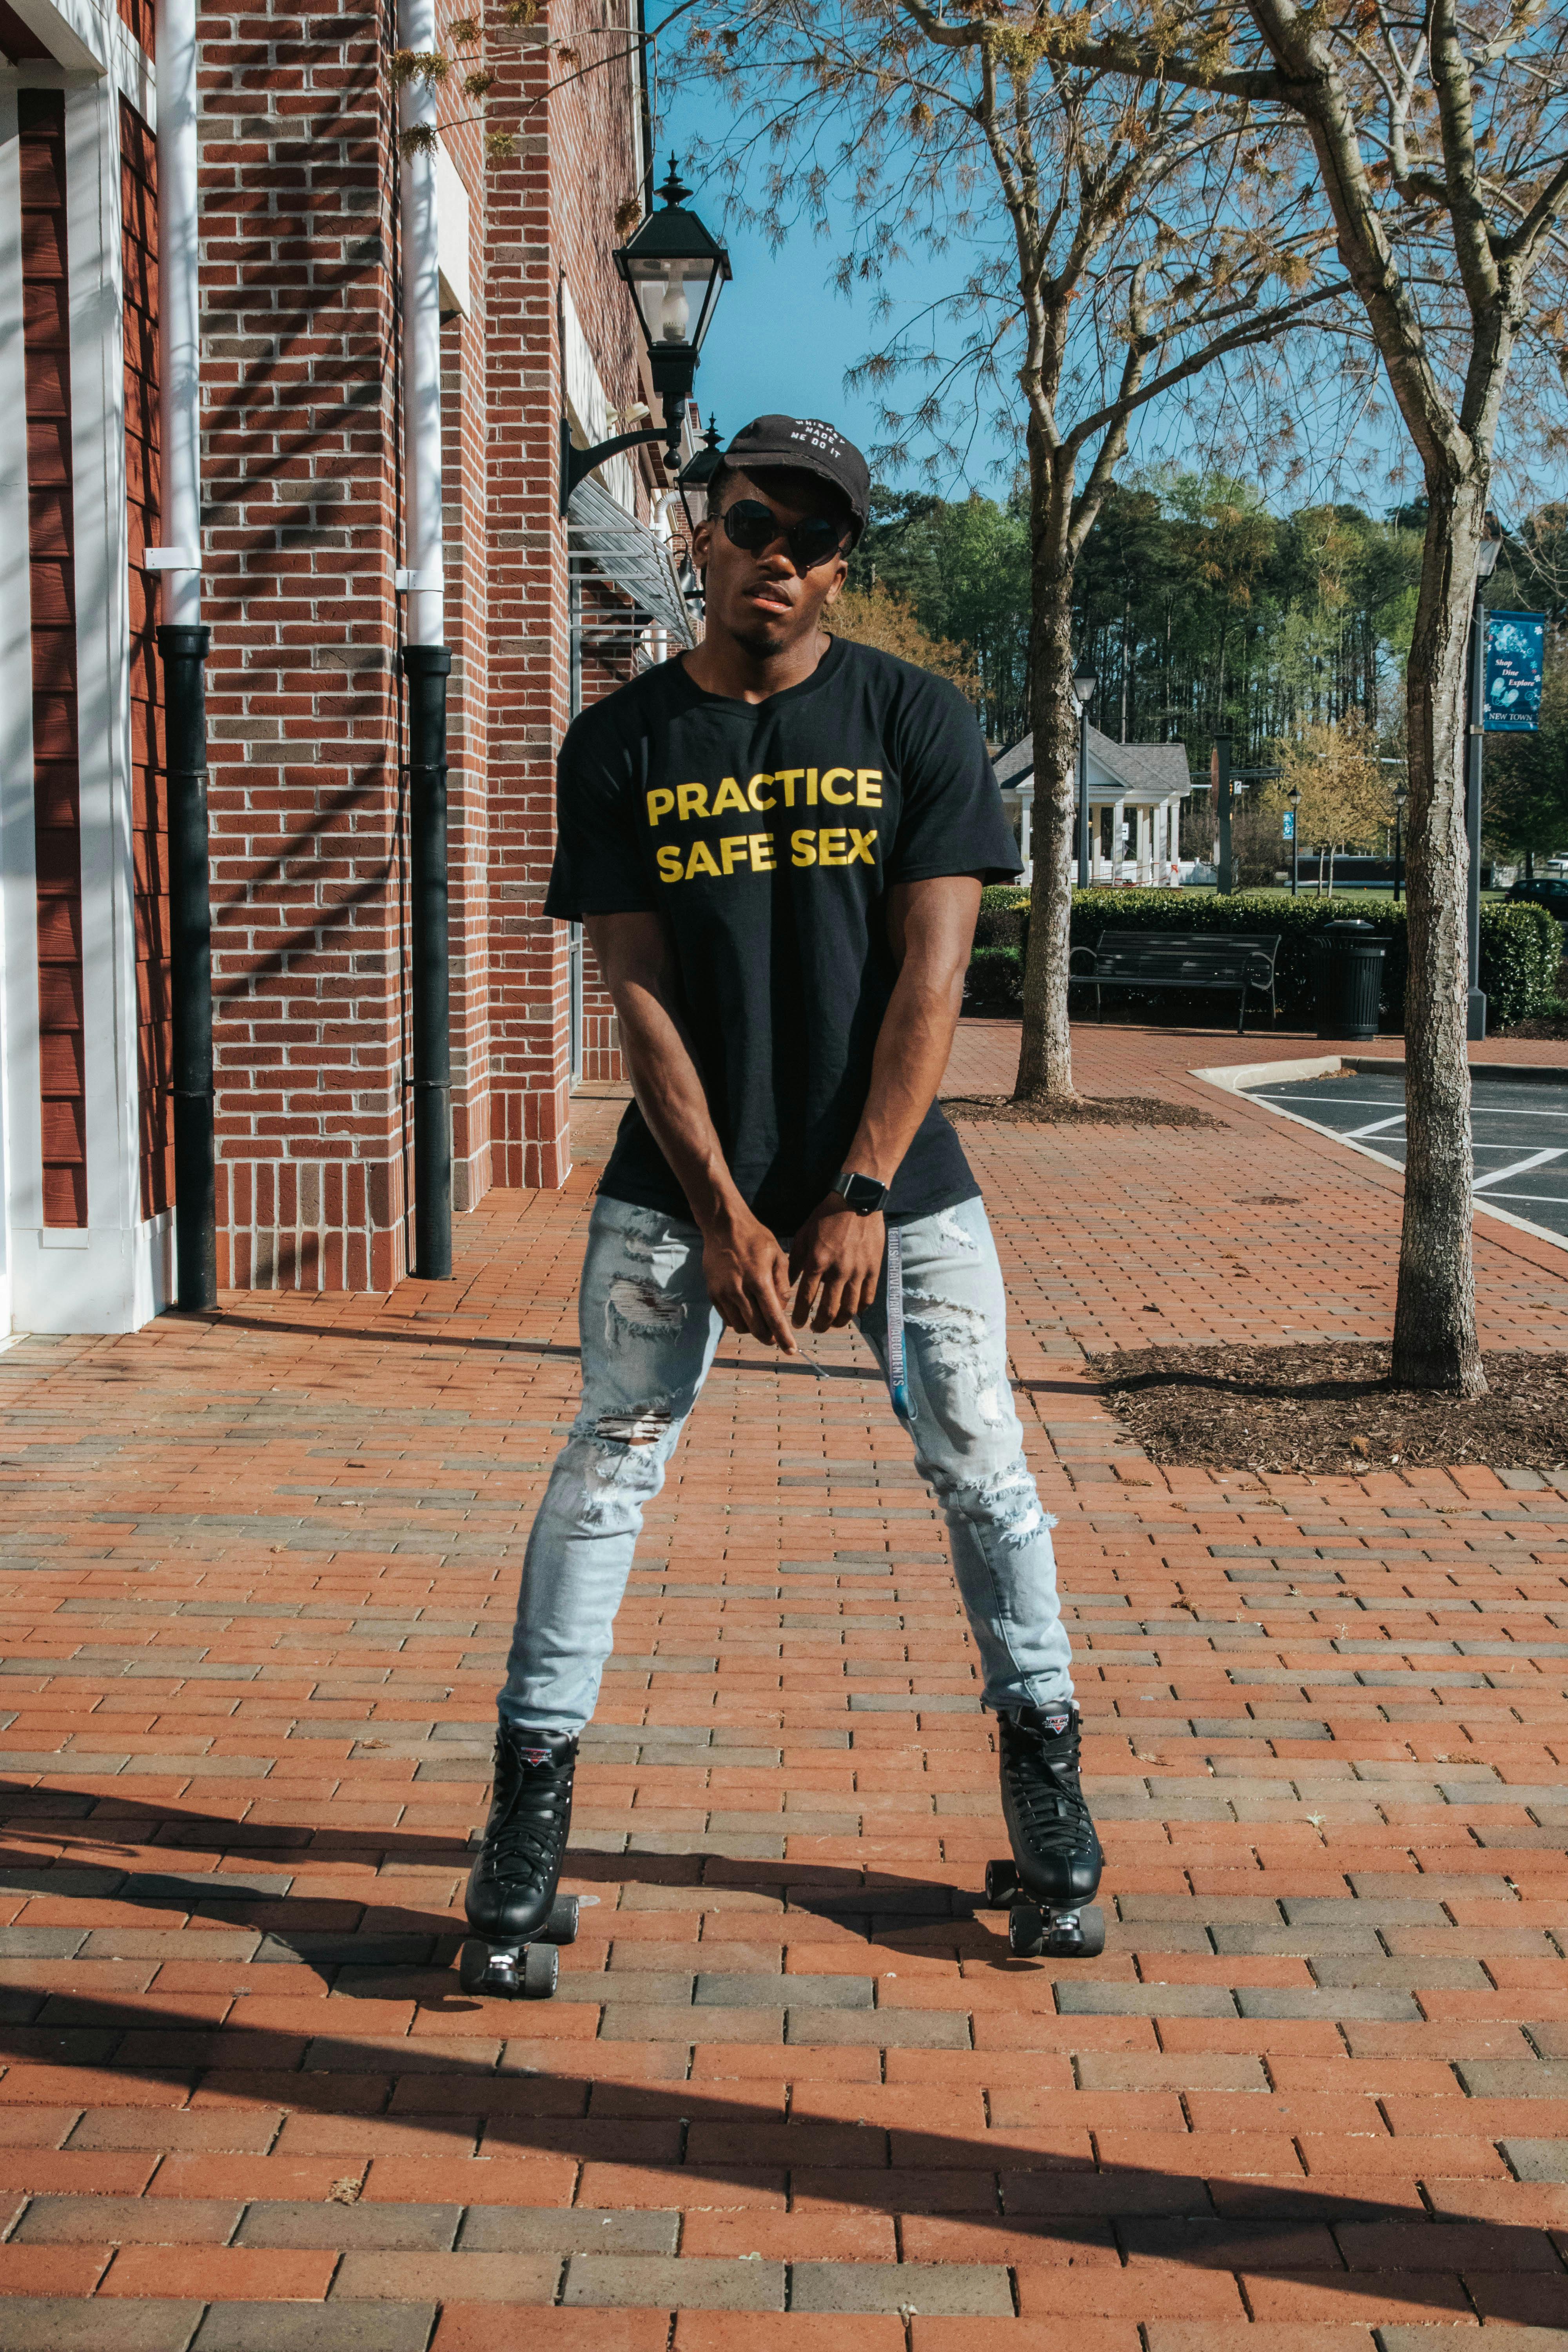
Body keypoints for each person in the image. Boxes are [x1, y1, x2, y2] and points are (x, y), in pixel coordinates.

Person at [464, 415, 1102, 1958]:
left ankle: (1050, 1804)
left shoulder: (914, 718)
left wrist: (859, 1194)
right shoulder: (620, 743)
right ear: (703, 527)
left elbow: (933, 980)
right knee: (609, 1457)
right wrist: (725, 1214)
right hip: (677, 1189)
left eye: (816, 541)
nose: (782, 560)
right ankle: (520, 1833)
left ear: (838, 564)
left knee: (981, 1459)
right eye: (757, 524)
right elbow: (638, 994)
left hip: (902, 1187)